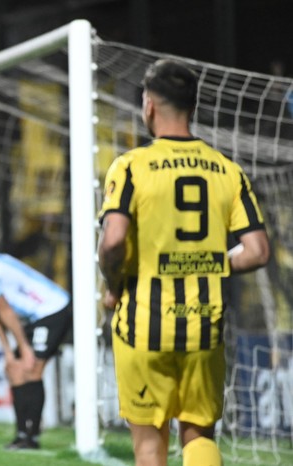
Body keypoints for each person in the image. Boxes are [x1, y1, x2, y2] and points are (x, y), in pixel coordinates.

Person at [97, 58, 270, 466]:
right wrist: (208, 264)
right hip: (204, 325)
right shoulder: (228, 170)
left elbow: (113, 242)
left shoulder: (131, 166)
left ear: (149, 106)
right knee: (198, 435)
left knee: (150, 446)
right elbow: (258, 251)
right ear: (193, 107)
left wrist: (114, 284)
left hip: (143, 326)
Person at [0, 250, 72, 450]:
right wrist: (8, 352)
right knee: (14, 370)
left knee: (32, 368)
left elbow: (5, 311)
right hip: (35, 317)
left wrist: (23, 347)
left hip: (53, 309)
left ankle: (33, 436)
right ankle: (22, 435)